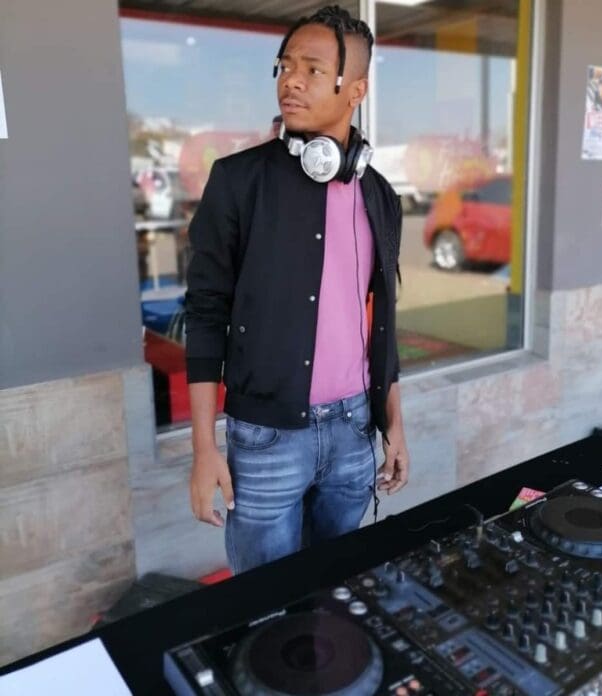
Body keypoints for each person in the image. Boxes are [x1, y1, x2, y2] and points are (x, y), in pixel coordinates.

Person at [185, 5, 409, 575]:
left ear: (354, 88)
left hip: (355, 432)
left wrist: (394, 424)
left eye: (312, 68)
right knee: (265, 612)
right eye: (286, 66)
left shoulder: (379, 195)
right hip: (266, 438)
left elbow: (380, 320)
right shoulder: (238, 182)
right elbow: (206, 314)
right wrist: (204, 447)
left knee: (334, 595)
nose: (291, 79)